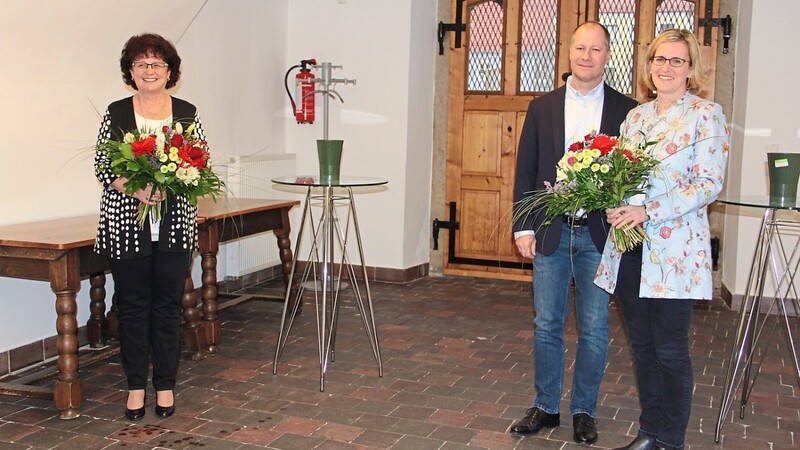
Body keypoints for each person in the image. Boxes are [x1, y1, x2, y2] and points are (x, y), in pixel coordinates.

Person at [594, 29, 729, 450]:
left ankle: (671, 439)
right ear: (649, 65)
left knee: (670, 350)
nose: (666, 68)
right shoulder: (637, 117)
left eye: (676, 61)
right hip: (631, 246)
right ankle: (650, 432)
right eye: (659, 60)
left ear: (691, 70)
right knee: (643, 347)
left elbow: (708, 184)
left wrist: (648, 210)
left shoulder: (706, 115)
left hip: (674, 251)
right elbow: (623, 175)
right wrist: (611, 200)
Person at [511, 22, 638, 444]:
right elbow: (526, 169)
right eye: (580, 48)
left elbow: (637, 176)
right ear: (569, 53)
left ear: (607, 56)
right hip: (551, 232)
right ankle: (546, 406)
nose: (587, 56)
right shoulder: (542, 107)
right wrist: (522, 227)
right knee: (547, 322)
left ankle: (584, 409)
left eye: (596, 49)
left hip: (599, 237)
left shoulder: (628, 111)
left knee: (595, 326)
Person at [94, 33, 207, 421]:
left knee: (165, 305)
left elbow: (199, 162)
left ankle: (165, 385)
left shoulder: (187, 112)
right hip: (128, 223)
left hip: (174, 226)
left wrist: (172, 180)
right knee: (132, 306)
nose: (149, 70)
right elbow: (104, 167)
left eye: (156, 64)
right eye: (141, 63)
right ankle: (134, 387)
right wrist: (138, 189)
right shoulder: (118, 111)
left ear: (170, 71)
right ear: (130, 71)